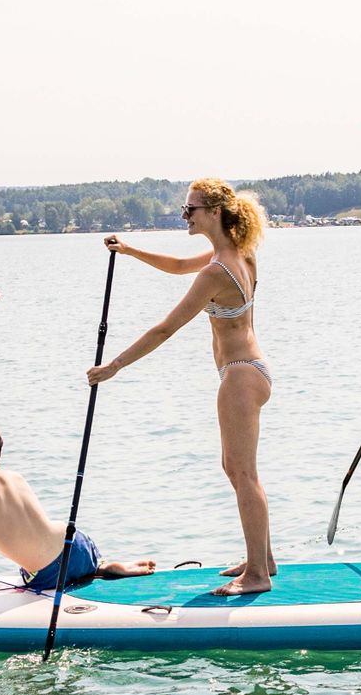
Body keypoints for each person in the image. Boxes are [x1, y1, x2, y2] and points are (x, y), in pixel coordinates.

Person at [94, 177, 276, 596]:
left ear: (214, 212)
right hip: (252, 369)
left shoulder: (217, 270)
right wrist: (131, 250)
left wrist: (114, 365)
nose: (184, 215)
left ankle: (259, 576)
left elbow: (165, 329)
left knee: (244, 473)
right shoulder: (239, 255)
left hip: (240, 375)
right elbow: (178, 267)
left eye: (190, 209)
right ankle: (261, 558)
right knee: (236, 469)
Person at [0, 420, 153, 608]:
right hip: (75, 546)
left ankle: (101, 569)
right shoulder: (14, 476)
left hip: (48, 572)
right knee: (86, 565)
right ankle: (103, 567)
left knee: (29, 575)